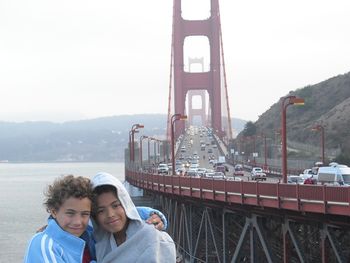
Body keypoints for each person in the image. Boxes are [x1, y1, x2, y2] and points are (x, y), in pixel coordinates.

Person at [23, 175, 167, 263]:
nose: (78, 222)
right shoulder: (44, 245)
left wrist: (149, 214)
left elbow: (117, 215)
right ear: (54, 212)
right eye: (70, 213)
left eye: (84, 214)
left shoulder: (88, 235)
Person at [92, 172, 176, 263]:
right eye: (101, 211)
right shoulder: (98, 241)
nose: (110, 214)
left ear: (125, 203)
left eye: (115, 205)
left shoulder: (152, 237)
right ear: (94, 216)